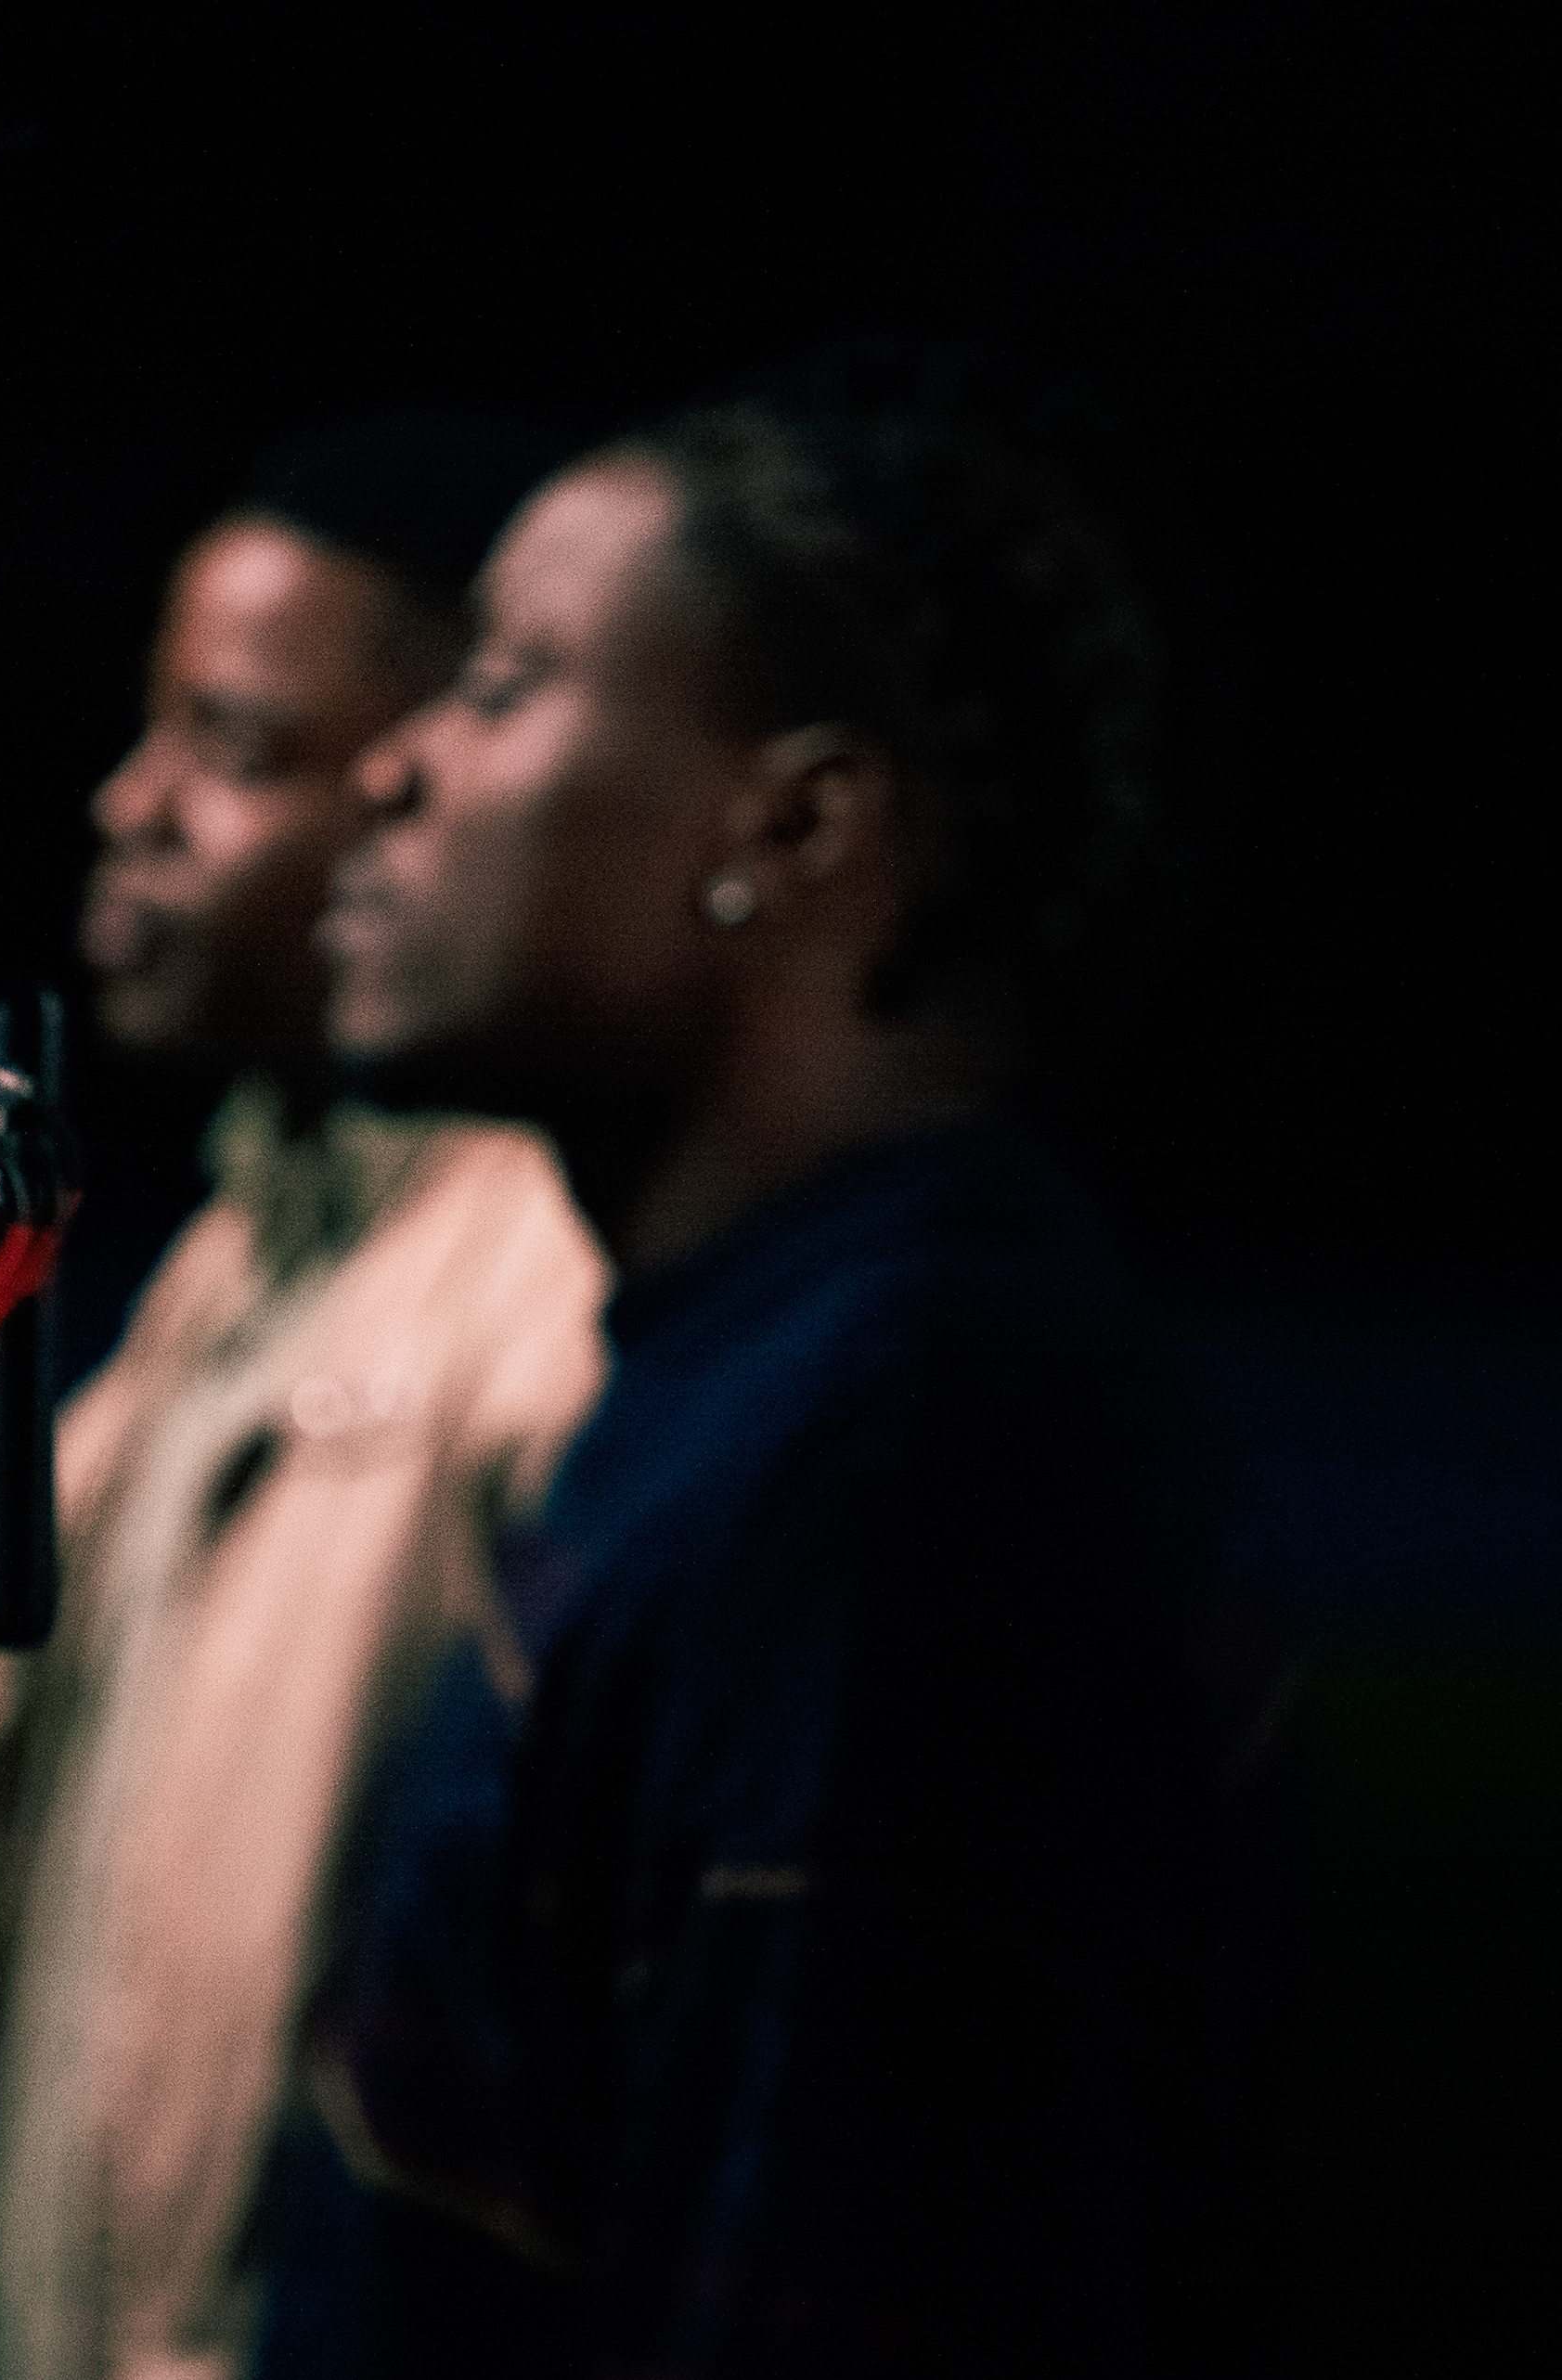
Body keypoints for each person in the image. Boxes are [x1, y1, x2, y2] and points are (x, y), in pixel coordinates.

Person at [269, 389, 1282, 2372]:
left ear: (798, 827)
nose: (393, 766)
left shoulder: (897, 1487)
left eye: (504, 682)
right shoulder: (763, 1383)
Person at [0, 413, 609, 2380]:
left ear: (438, 785)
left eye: (236, 745)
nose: (132, 803)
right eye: (155, 730)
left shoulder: (556, 1317)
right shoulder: (229, 1263)